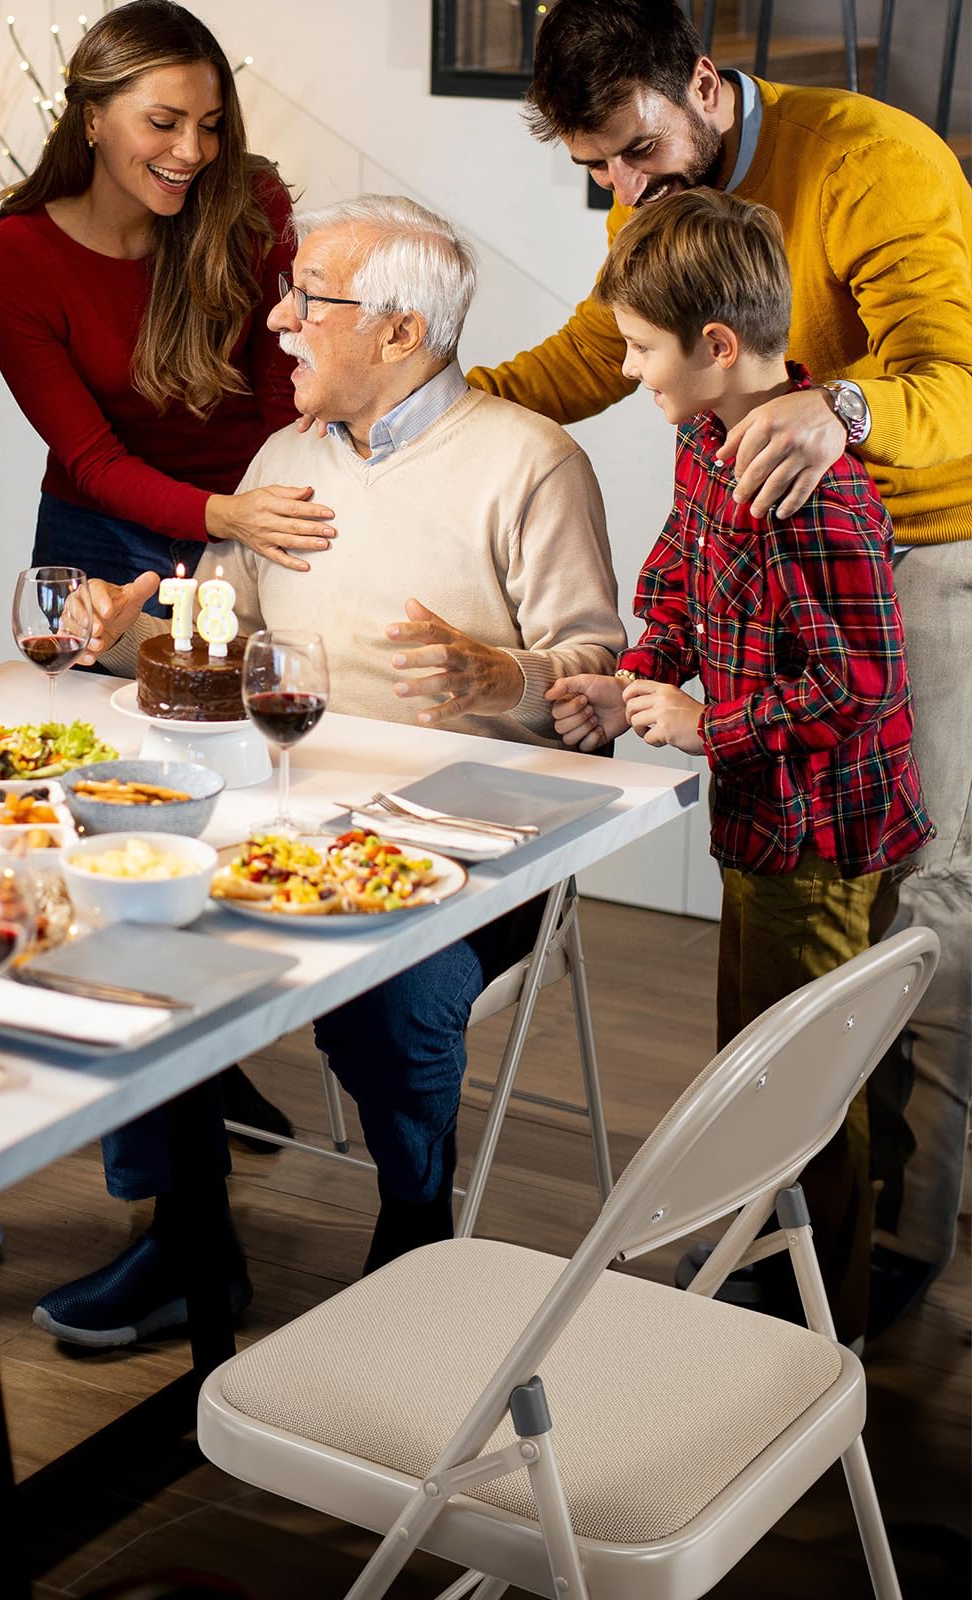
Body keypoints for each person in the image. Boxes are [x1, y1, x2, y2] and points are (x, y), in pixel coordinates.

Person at [35, 196, 625, 1348]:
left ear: (401, 331)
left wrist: (497, 675)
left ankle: (414, 1218)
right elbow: (215, 636)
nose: (279, 317)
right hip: (289, 809)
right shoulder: (283, 458)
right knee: (129, 921)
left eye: (312, 298)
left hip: (480, 844)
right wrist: (113, 631)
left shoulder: (529, 462)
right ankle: (185, 1231)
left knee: (390, 983)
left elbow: (592, 683)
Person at [471, 0, 971, 1332]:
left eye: (635, 150)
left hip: (923, 537)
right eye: (599, 175)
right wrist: (434, 409)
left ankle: (879, 1266)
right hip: (774, 618)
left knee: (915, 919)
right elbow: (603, 360)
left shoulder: (874, 158)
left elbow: (954, 370)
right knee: (781, 987)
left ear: (701, 81)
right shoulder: (684, 300)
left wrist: (839, 407)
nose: (623, 192)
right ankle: (788, 1228)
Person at [546, 189, 933, 1346]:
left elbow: (861, 686)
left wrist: (707, 722)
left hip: (823, 841)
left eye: (638, 348)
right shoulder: (702, 439)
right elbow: (675, 571)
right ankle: (765, 1256)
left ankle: (825, 1326)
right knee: (751, 1062)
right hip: (761, 826)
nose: (625, 368)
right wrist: (640, 673)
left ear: (716, 348)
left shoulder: (820, 494)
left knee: (806, 1085)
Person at [0, 0, 336, 596]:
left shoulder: (249, 204)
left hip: (251, 514)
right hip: (98, 535)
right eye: (163, 123)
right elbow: (92, 460)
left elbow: (282, 387)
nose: (192, 151)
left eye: (210, 125)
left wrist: (276, 501)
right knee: (76, 690)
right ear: (91, 120)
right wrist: (219, 513)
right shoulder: (15, 261)